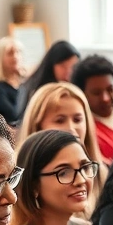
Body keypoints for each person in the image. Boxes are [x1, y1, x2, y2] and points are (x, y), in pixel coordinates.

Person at [16, 82, 106, 217]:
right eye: (60, 120)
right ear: (37, 126)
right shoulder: (15, 175)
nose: (71, 128)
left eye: (77, 119)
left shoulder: (101, 173)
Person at [72, 54, 113, 164]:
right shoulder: (86, 130)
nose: (106, 98)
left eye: (110, 89)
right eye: (96, 93)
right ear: (82, 94)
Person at [17, 40, 81, 114]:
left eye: (73, 66)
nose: (69, 72)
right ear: (51, 66)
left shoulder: (77, 89)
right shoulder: (38, 92)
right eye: (63, 66)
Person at [0, 36, 27, 125]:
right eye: (10, 53)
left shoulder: (25, 83)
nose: (16, 56)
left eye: (18, 52)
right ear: (0, 58)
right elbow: (14, 115)